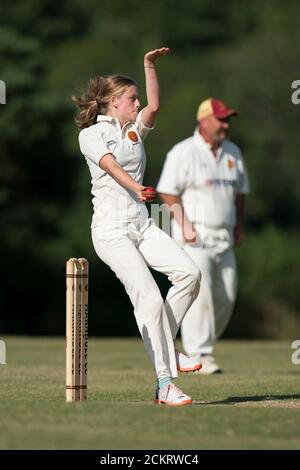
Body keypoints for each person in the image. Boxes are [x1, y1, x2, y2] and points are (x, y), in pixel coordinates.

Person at [72, 48, 202, 406]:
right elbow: (111, 166)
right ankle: (164, 384)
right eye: (132, 99)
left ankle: (167, 346)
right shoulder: (91, 135)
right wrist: (136, 188)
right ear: (114, 102)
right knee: (149, 297)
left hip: (142, 226)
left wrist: (149, 66)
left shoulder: (134, 132)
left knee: (190, 274)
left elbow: (156, 107)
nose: (138, 103)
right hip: (111, 232)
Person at [157, 98, 249, 374]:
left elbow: (240, 193)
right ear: (203, 121)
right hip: (195, 235)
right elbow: (167, 192)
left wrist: (239, 226)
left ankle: (201, 346)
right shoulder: (183, 152)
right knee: (203, 294)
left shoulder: (233, 152)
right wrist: (184, 224)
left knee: (227, 296)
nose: (225, 124)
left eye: (227, 120)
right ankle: (199, 353)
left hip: (224, 235)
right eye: (220, 119)